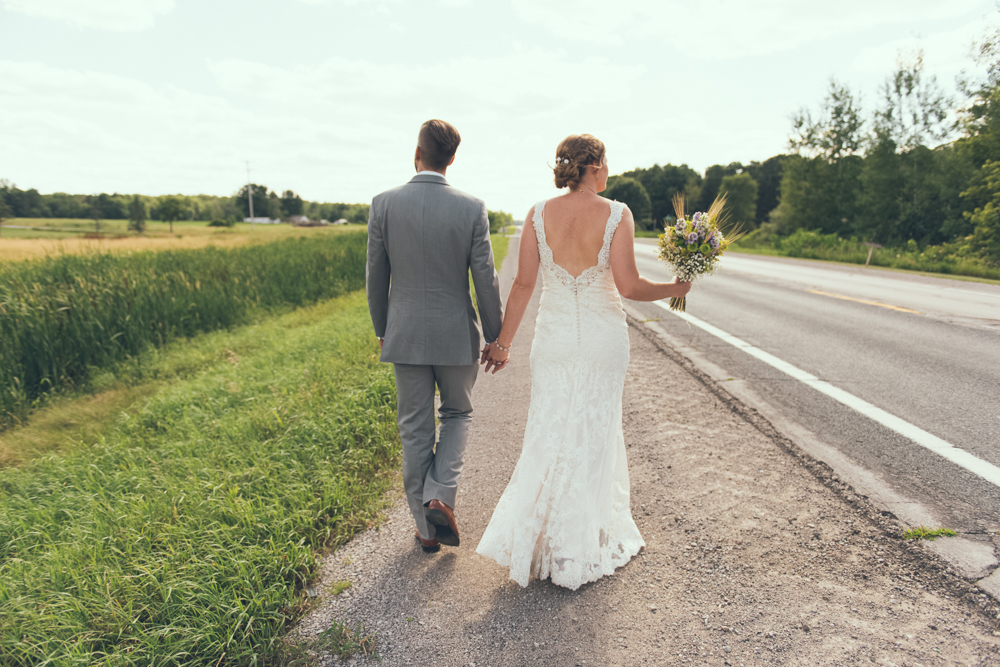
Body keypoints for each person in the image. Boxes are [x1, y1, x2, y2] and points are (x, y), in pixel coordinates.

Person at [475, 134, 691, 589]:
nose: (609, 170)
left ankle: (541, 540)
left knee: (549, 430)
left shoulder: (537, 214)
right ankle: (578, 542)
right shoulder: (617, 213)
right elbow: (629, 286)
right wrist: (674, 288)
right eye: (606, 162)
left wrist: (502, 343)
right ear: (594, 166)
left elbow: (522, 286)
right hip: (601, 340)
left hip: (552, 341)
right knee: (594, 432)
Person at [367, 119, 503, 554]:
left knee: (414, 428)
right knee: (458, 415)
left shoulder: (383, 204)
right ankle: (440, 494)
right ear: (452, 159)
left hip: (403, 333)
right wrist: (496, 335)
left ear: (416, 153)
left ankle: (426, 531)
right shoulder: (471, 208)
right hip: (456, 334)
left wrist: (383, 330)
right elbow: (485, 278)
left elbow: (376, 276)